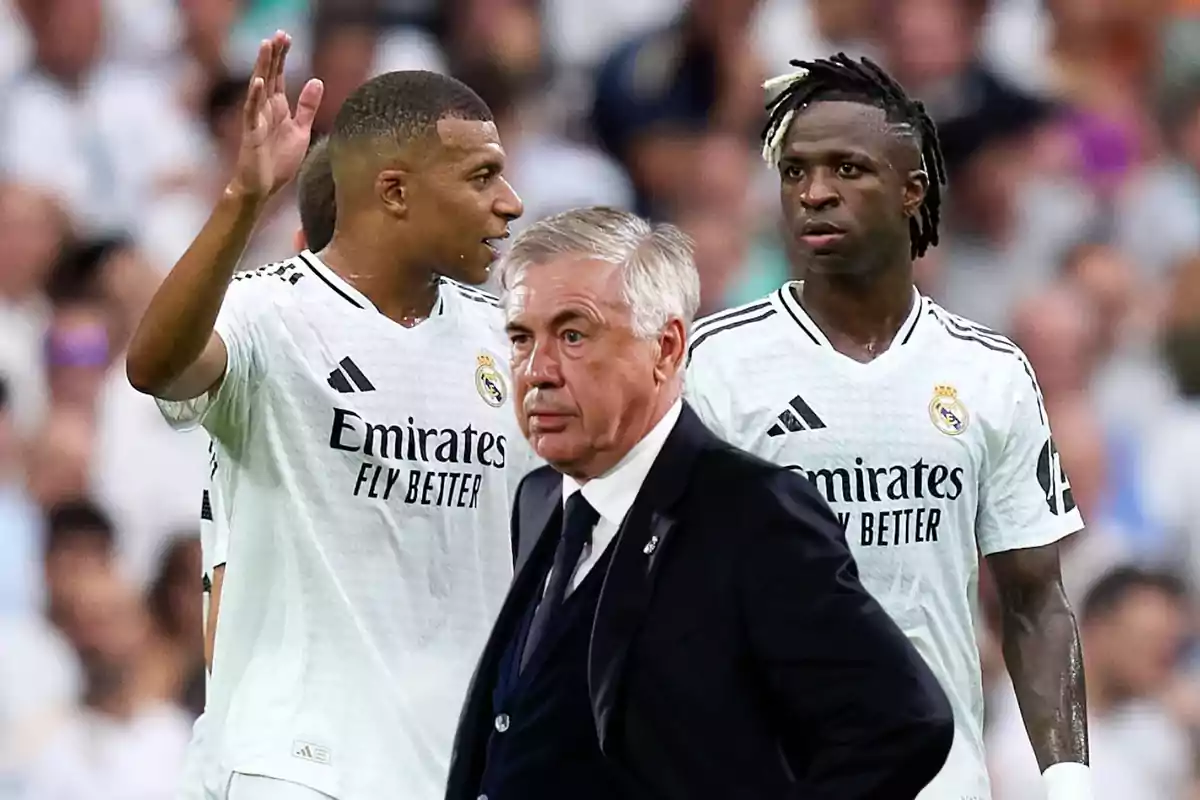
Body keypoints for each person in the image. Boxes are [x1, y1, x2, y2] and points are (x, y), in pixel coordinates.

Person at [126, 31, 531, 800]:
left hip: (455, 765)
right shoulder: (269, 313)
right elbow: (157, 367)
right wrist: (244, 199)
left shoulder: (506, 340)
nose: (510, 202)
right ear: (396, 191)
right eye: (483, 176)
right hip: (298, 768)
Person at [684, 54, 1091, 800]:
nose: (814, 193)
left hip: (941, 782)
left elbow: (1035, 599)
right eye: (796, 171)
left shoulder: (989, 372)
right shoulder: (715, 365)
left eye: (847, 169)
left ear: (913, 191)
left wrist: (1068, 783)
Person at [446, 206, 954, 800]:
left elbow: (902, 723)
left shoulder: (753, 514)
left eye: (573, 334)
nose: (537, 372)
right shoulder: (539, 500)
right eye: (520, 338)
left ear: (665, 348)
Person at [178, 137, 339, 800]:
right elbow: (164, 367)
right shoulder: (264, 335)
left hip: (248, 737)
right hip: (278, 750)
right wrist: (242, 200)